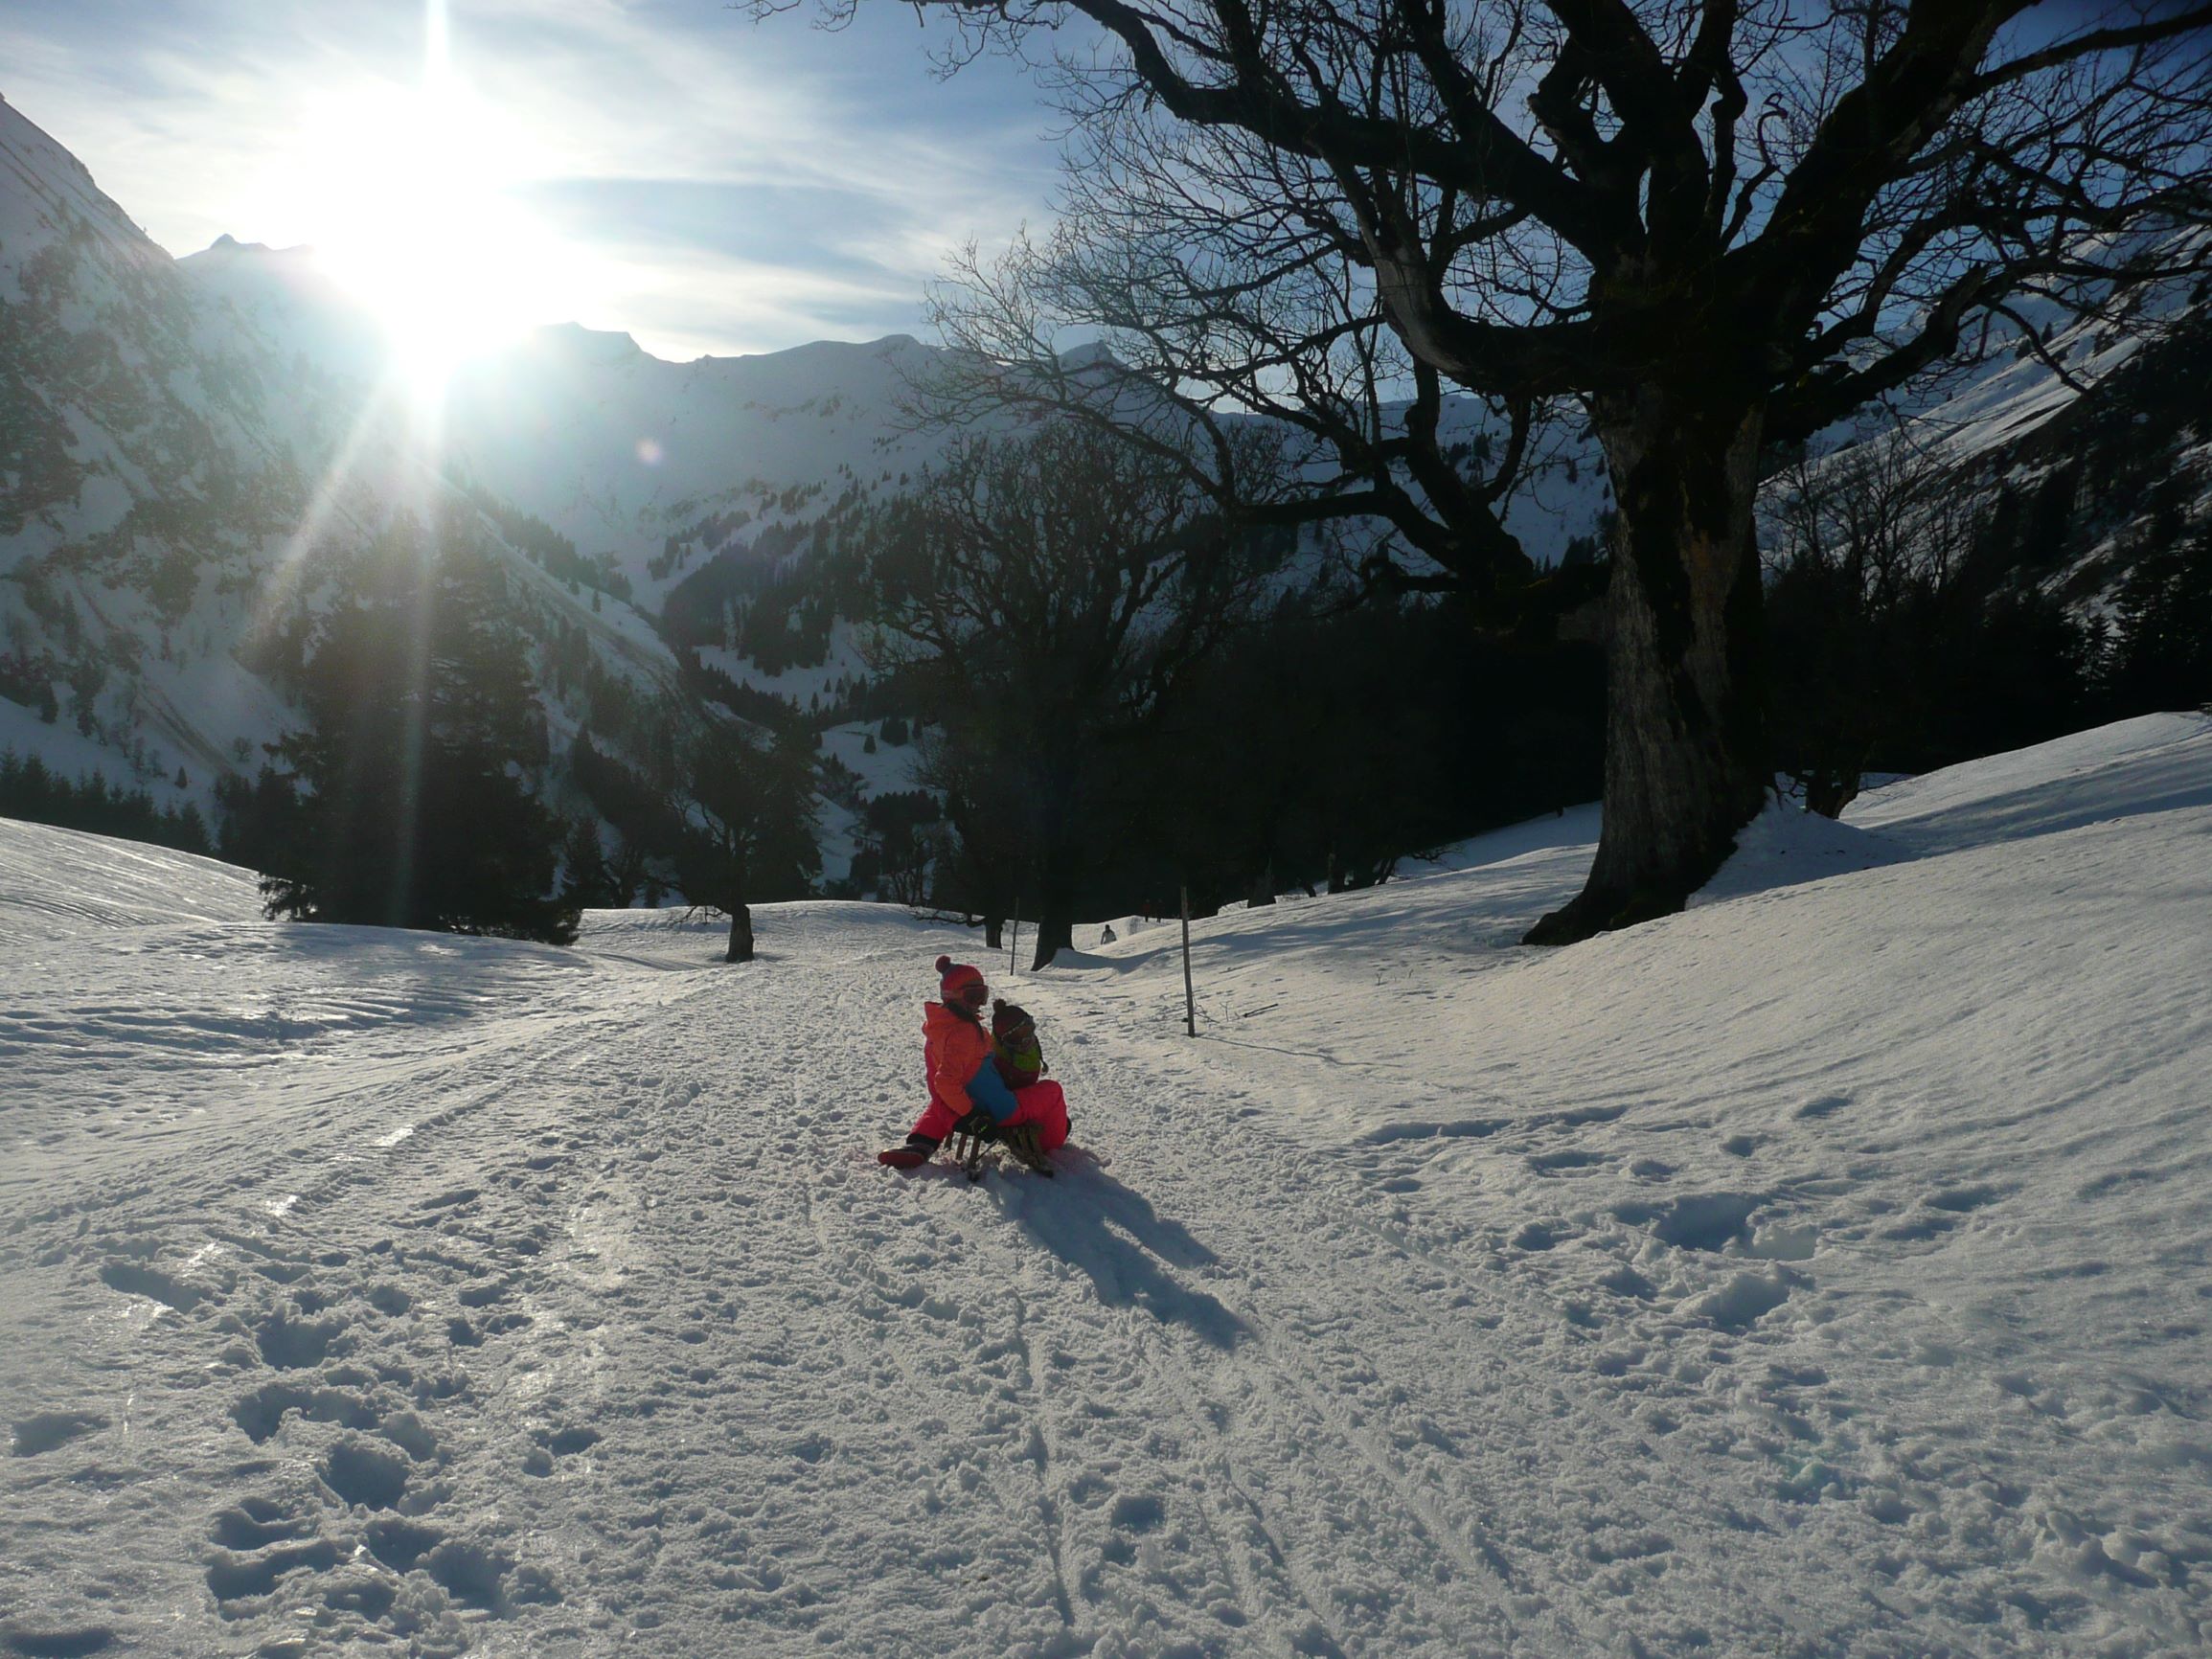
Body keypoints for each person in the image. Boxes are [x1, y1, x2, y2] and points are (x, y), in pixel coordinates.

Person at [878, 955, 1070, 1170]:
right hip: (999, 1109)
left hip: (969, 1101)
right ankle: (1051, 1141)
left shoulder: (936, 1028)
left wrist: (957, 1113)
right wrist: (973, 1117)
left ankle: (921, 1143)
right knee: (1052, 1090)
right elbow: (945, 1082)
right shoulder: (966, 1032)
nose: (978, 1004)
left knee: (947, 1101)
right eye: (973, 997)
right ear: (953, 996)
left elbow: (941, 1085)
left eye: (982, 995)